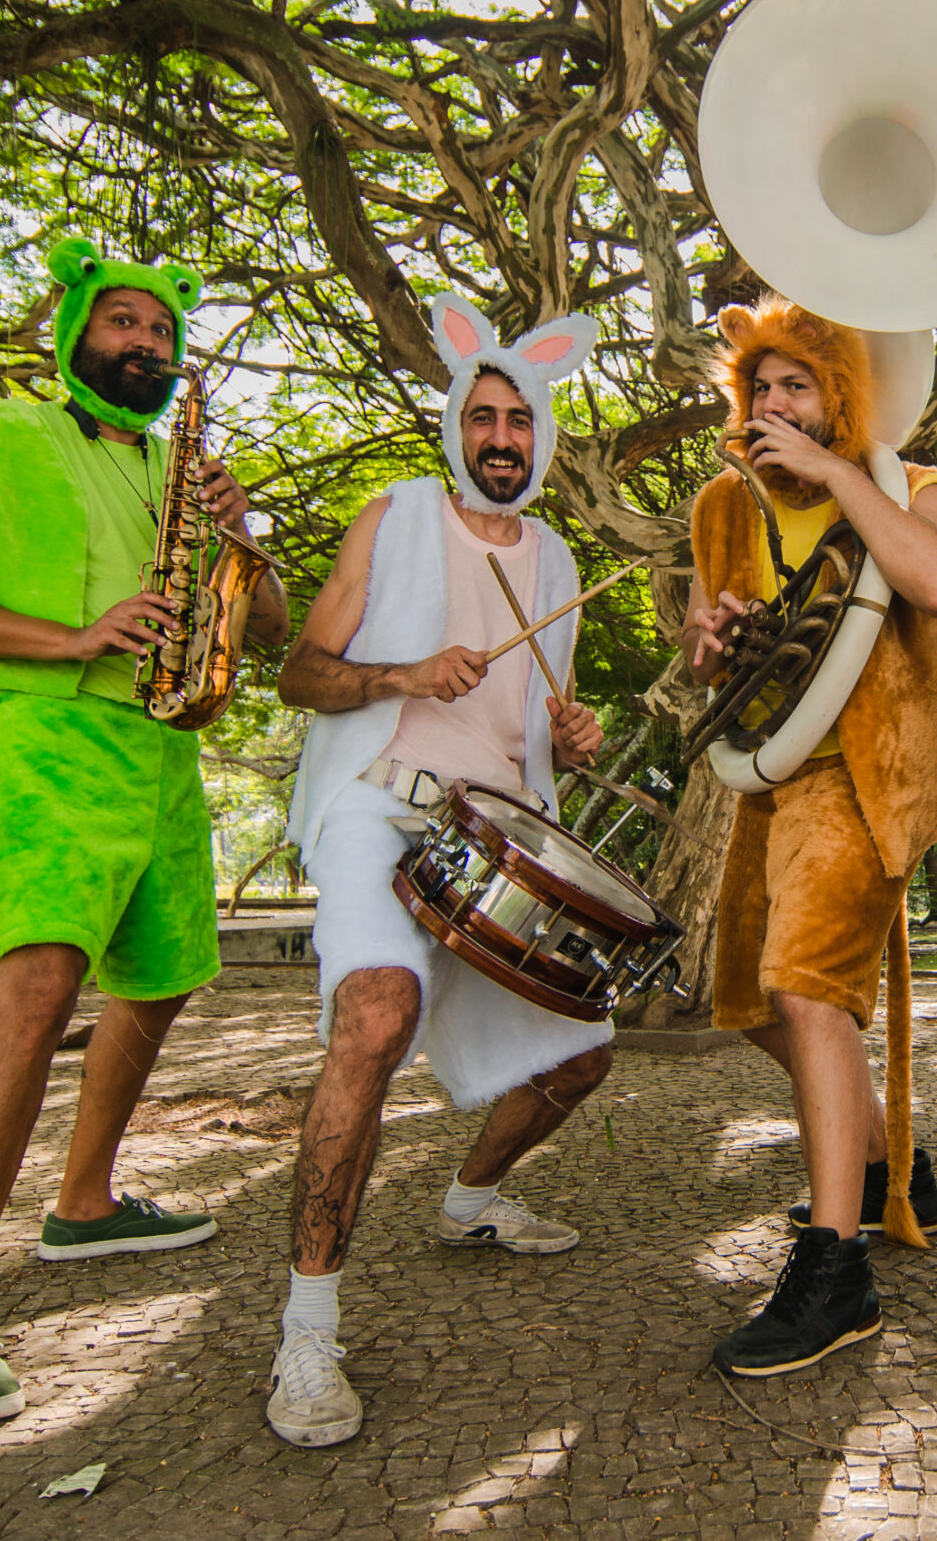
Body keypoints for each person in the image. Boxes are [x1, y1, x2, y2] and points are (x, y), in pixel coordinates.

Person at [0, 234, 289, 1426]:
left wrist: (241, 529)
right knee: (40, 990)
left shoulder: (184, 469)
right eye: (122, 324)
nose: (145, 345)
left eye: (161, 333)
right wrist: (72, 638)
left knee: (162, 979)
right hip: (41, 737)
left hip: (161, 745)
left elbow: (263, 629)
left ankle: (87, 1202)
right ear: (73, 336)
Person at [262, 292, 615, 1447]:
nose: (500, 437)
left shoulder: (557, 560)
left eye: (519, 419)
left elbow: (535, 722)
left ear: (543, 433)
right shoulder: (395, 514)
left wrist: (570, 738)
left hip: (491, 831)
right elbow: (301, 674)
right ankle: (307, 1334)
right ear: (456, 422)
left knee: (584, 1049)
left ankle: (468, 1197)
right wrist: (401, 672)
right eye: (482, 416)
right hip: (378, 807)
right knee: (375, 1017)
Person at [682, 297, 937, 1378]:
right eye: (759, 389)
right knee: (749, 1001)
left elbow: (936, 584)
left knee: (804, 988)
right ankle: (893, 1160)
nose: (771, 405)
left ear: (837, 396)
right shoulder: (722, 502)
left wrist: (842, 467)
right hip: (770, 773)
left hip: (869, 774)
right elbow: (713, 652)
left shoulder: (913, 487)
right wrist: (708, 642)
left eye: (795, 386)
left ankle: (836, 1268)